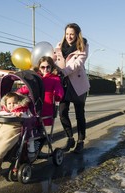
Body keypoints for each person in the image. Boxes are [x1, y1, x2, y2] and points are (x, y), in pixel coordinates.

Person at [53, 23, 90, 153]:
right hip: (63, 84)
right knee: (62, 113)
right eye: (67, 34)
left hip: (78, 84)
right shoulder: (59, 46)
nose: (69, 36)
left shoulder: (82, 46)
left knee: (80, 115)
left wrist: (64, 71)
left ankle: (80, 141)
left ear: (77, 35)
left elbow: (78, 63)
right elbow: (52, 60)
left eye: (72, 34)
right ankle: (70, 138)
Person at [36, 56, 64, 126]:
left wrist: (57, 95)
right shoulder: (36, 77)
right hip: (34, 104)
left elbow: (59, 91)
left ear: (51, 67)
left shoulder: (54, 79)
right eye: (43, 67)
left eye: (48, 67)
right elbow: (27, 88)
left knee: (40, 125)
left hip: (46, 106)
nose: (45, 69)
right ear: (39, 68)